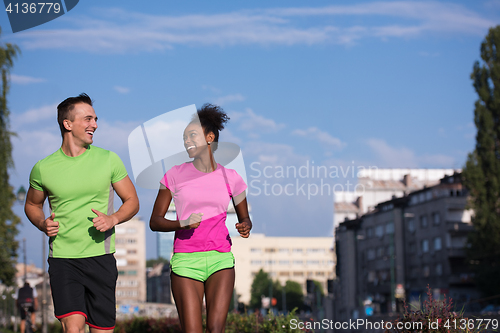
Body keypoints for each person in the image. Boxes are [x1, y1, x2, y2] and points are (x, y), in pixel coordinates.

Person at [24, 93, 140, 333]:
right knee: (72, 327)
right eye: (88, 119)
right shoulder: (43, 168)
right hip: (63, 259)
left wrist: (113, 218)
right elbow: (32, 205)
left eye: (95, 119)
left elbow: (132, 200)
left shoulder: (109, 160)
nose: (95, 125)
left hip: (101, 257)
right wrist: (41, 224)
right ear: (68, 124)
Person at [150, 104, 252, 333]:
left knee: (216, 329)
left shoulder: (232, 177)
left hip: (220, 259)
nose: (187, 141)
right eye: (184, 137)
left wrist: (244, 226)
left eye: (192, 135)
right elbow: (155, 221)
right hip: (186, 262)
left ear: (210, 137)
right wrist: (181, 223)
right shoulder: (174, 175)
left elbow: (245, 218)